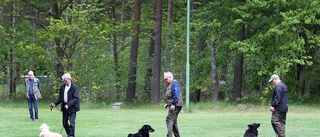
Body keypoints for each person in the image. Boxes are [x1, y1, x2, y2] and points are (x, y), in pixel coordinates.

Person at [163, 71, 183, 137]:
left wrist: (173, 104)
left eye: (166, 79)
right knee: (173, 122)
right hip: (175, 105)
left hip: (176, 105)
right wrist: (168, 104)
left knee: (169, 120)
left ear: (170, 77)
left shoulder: (175, 84)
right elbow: (171, 96)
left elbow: (176, 95)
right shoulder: (171, 84)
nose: (165, 81)